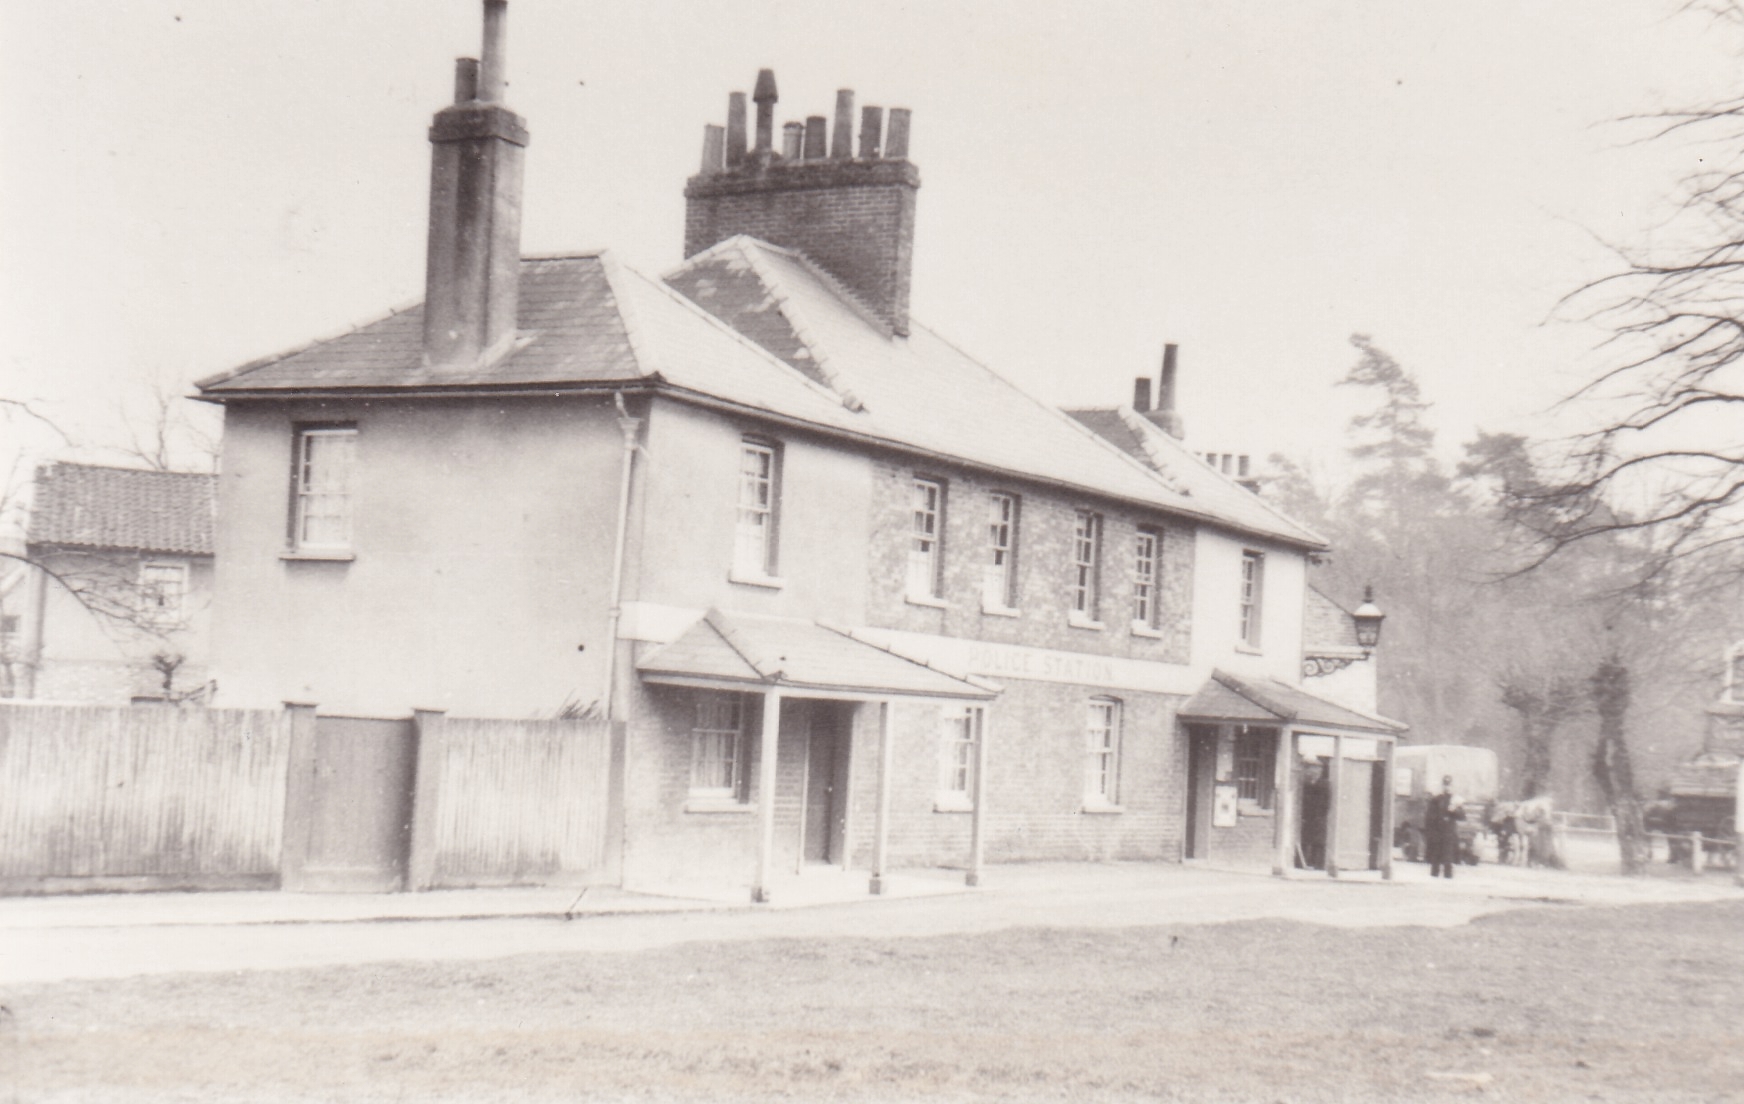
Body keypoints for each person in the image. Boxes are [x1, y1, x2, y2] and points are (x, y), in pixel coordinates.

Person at [1425, 774, 1464, 878]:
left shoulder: (1455, 800)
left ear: (1452, 786)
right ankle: (1434, 875)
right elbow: (1430, 816)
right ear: (1442, 786)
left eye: (1449, 785)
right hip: (1438, 831)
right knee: (1436, 855)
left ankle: (1448, 876)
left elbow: (1462, 816)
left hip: (1449, 833)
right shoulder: (1436, 799)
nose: (1447, 787)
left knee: (1448, 856)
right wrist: (1433, 827)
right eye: (1445, 785)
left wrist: (1455, 810)